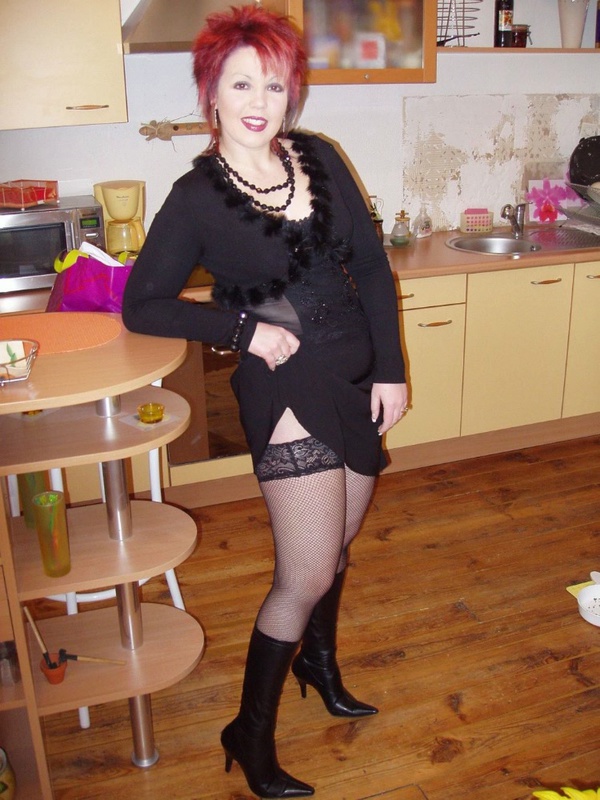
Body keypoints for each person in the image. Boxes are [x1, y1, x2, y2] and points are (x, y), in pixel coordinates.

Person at [122, 5, 408, 797]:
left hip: (357, 381)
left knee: (337, 550)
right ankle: (248, 733)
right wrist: (243, 329)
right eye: (241, 83)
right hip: (284, 391)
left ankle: (320, 665)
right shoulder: (195, 197)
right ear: (211, 92)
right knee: (304, 571)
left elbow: (372, 268)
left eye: (275, 85)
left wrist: (391, 370)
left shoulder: (319, 157)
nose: (259, 100)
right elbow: (143, 305)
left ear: (292, 93)